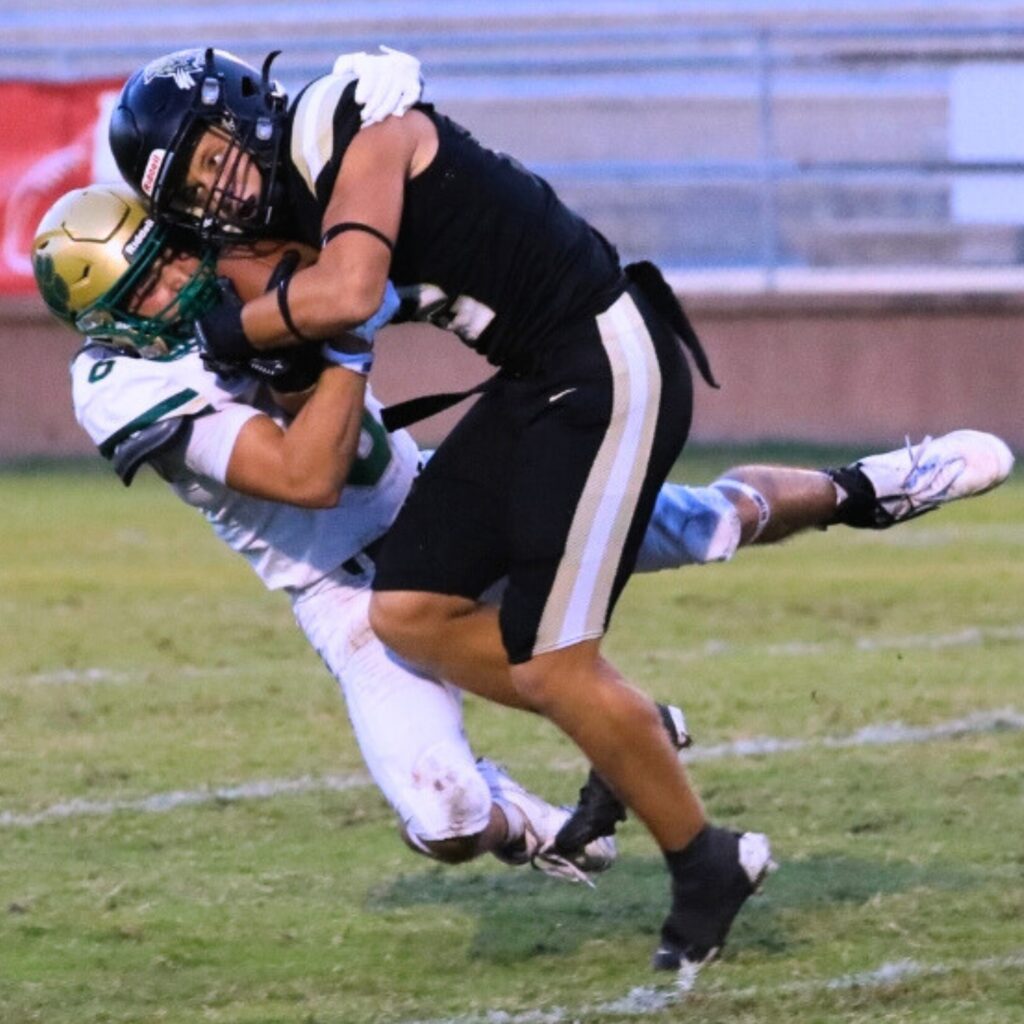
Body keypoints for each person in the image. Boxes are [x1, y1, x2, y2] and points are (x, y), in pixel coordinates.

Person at [108, 48, 1016, 978]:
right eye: (194, 190)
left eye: (215, 158)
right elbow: (303, 333)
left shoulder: (350, 122)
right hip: (537, 383)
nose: (218, 193)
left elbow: (345, 296)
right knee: (411, 610)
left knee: (556, 657)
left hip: (604, 357)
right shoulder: (262, 226)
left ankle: (707, 859)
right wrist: (254, 320)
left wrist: (224, 333)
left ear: (250, 113)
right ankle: (839, 512)